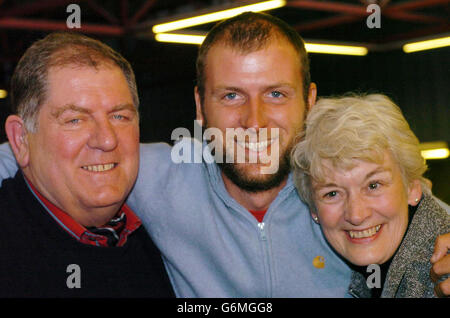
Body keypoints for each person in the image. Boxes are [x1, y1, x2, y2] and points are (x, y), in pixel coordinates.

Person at [0, 13, 448, 297]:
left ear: (309, 102)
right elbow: (39, 158)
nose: (254, 122)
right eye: (231, 96)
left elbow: (412, 207)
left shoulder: (341, 194)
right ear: (199, 106)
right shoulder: (145, 173)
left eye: (275, 94)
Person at [0, 32, 174, 297]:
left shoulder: (165, 237)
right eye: (75, 120)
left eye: (119, 116)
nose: (106, 140)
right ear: (21, 139)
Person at [291, 94, 450, 297]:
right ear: (314, 209)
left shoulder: (441, 272)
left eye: (373, 185)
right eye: (332, 193)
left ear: (412, 187)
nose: (356, 215)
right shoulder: (369, 275)